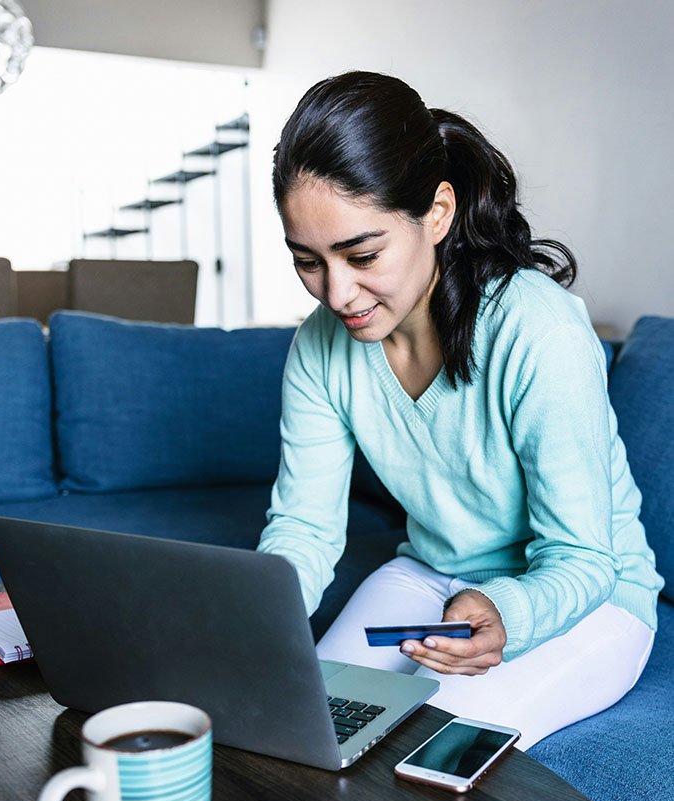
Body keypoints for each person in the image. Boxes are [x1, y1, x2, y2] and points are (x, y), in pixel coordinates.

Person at [256, 71, 663, 750]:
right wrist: (242, 629)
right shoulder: (319, 347)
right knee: (298, 728)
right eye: (308, 261)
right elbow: (303, 527)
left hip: (591, 599)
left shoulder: (539, 330)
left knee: (424, 753)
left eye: (362, 254)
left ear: (437, 214)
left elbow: (585, 557)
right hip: (428, 574)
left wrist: (509, 608)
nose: (337, 292)